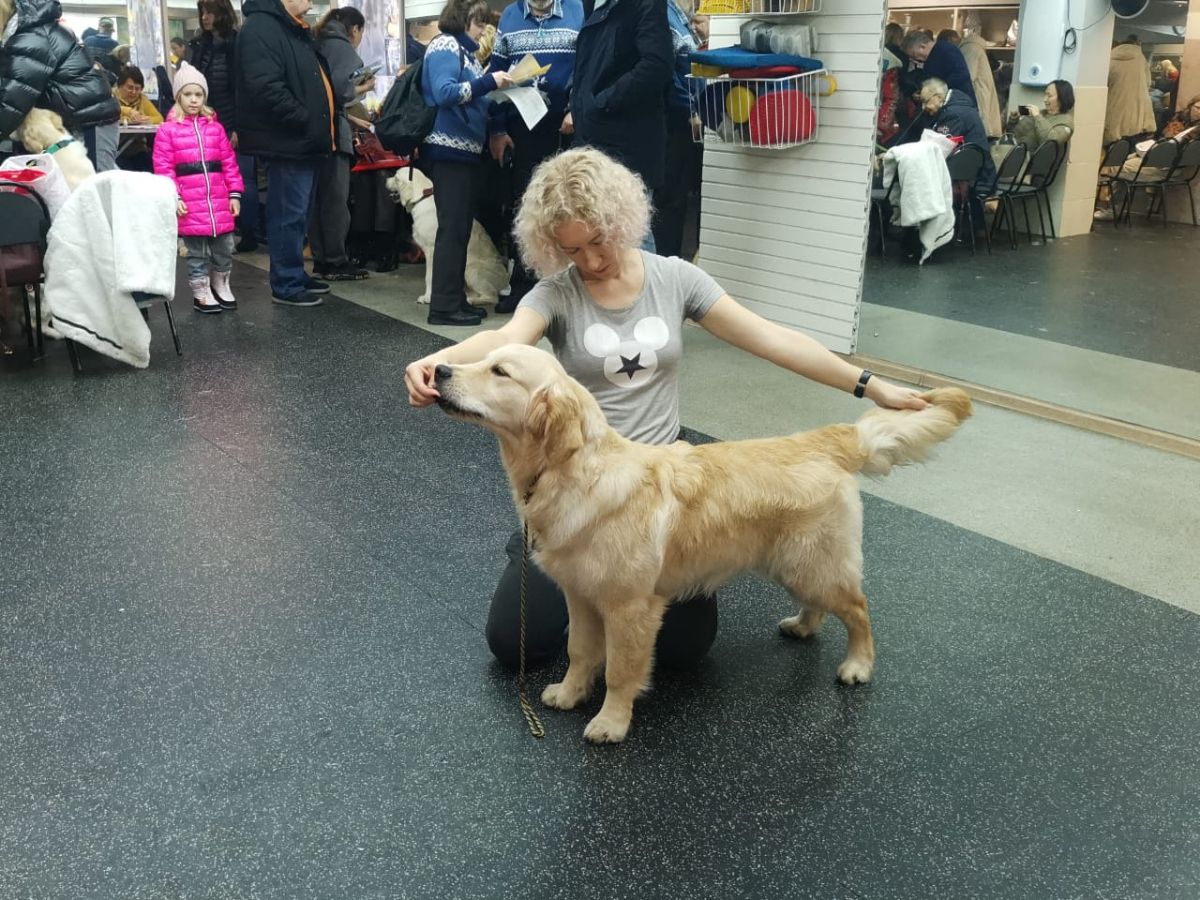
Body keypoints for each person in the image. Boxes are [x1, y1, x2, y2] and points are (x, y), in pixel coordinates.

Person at [403, 148, 929, 671]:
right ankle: (542, 550)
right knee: (513, 643)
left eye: (598, 240)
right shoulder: (555, 294)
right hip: (577, 481)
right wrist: (439, 361)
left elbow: (772, 339)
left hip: (665, 492)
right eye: (572, 250)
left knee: (682, 651)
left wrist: (869, 385)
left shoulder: (676, 278)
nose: (588, 261)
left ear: (620, 218)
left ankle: (606, 583)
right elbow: (505, 338)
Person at [235, 0, 337, 307]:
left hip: (304, 141)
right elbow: (264, 85)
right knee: (287, 214)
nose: (309, 2)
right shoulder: (262, 28)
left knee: (299, 214)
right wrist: (303, 118)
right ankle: (286, 282)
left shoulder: (291, 29)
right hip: (289, 140)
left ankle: (294, 272)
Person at [420, 0, 514, 326]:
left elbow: (472, 96)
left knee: (459, 229)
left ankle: (454, 298)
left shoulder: (466, 53)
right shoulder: (446, 44)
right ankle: (444, 307)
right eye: (479, 20)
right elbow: (445, 92)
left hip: (463, 151)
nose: (484, 28)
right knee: (453, 229)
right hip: (448, 150)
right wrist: (490, 83)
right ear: (463, 16)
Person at [487, 0, 584, 311]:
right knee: (524, 205)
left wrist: (576, 110)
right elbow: (496, 73)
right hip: (520, 124)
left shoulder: (577, 11)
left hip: (562, 124)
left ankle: (566, 289)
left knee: (566, 204)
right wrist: (498, 129)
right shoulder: (512, 16)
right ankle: (524, 288)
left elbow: (586, 67)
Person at [570, 0, 673, 248]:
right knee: (601, 238)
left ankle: (644, 289)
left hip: (628, 148)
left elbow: (657, 65)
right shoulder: (592, 6)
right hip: (594, 143)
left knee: (633, 239)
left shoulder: (643, 4)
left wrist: (602, 102)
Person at [153, 62, 244, 314]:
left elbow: (229, 162)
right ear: (178, 96)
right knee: (196, 251)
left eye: (199, 94)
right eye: (188, 94)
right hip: (190, 203)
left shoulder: (215, 128)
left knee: (224, 246)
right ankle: (200, 290)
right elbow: (164, 168)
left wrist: (234, 193)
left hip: (218, 200)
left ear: (205, 96)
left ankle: (221, 282)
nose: (193, 100)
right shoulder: (167, 131)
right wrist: (174, 196)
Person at [0, 0, 120, 171]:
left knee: (97, 187)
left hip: (91, 120)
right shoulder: (24, 34)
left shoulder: (32, 38)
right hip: (74, 120)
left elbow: (11, 104)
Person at [189, 0, 262, 254]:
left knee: (242, 179)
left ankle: (249, 232)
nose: (205, 17)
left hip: (235, 124)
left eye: (209, 12)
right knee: (212, 180)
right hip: (209, 123)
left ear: (221, 13)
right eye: (202, 12)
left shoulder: (237, 43)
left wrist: (237, 127)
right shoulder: (200, 46)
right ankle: (223, 231)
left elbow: (244, 89)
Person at [309, 7, 375, 282]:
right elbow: (341, 92)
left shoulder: (315, 41)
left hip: (313, 135)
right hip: (334, 135)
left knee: (317, 202)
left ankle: (322, 260)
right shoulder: (344, 49)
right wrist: (364, 88)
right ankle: (337, 261)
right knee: (336, 200)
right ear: (355, 29)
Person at [651, 0, 700, 259]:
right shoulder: (666, 15)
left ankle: (672, 260)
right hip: (672, 121)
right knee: (668, 201)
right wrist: (690, 111)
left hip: (684, 122)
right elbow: (667, 76)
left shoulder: (683, 19)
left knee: (678, 199)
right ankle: (664, 262)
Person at [901, 29, 977, 108]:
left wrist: (936, 90)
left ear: (922, 47)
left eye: (914, 55)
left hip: (959, 104)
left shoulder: (946, 50)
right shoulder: (930, 58)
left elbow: (961, 75)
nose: (916, 59)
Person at [1104, 36, 1155, 145]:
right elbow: (1148, 83)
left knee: (1111, 145)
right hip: (1137, 109)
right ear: (1137, 44)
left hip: (1114, 106)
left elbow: (1104, 83)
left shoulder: (1110, 58)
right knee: (1132, 146)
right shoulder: (1141, 59)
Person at [112, 66, 162, 172]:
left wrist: (149, 120)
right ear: (120, 86)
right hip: (115, 149)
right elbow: (108, 112)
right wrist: (128, 114)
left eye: (138, 88)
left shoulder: (142, 99)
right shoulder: (110, 97)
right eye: (130, 87)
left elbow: (160, 118)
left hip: (138, 149)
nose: (134, 92)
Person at [958, 28, 1001, 138]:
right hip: (984, 98)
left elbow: (967, 78)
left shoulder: (969, 48)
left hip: (979, 101)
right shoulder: (978, 49)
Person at [1011, 79, 1074, 148]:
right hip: (1013, 149)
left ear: (1062, 98)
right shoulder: (1042, 112)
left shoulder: (1066, 122)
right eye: (1045, 95)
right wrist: (1013, 119)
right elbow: (1012, 133)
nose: (1045, 99)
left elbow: (1050, 142)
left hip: (1028, 156)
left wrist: (1037, 116)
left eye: (1049, 96)